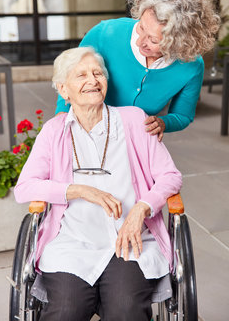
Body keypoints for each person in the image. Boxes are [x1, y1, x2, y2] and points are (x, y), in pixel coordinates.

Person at [14, 47, 182, 321]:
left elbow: (170, 176)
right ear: (64, 90)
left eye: (97, 73)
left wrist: (142, 207)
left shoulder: (133, 119)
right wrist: (78, 190)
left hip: (129, 243)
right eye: (81, 75)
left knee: (125, 309)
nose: (92, 80)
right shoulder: (54, 131)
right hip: (72, 243)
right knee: (65, 311)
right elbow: (25, 188)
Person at [56, 0, 220, 141]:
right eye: (141, 27)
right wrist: (61, 119)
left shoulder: (191, 66)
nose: (139, 41)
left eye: (153, 40)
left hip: (135, 142)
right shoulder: (104, 33)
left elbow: (182, 115)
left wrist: (163, 123)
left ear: (179, 42)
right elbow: (67, 77)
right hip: (85, 132)